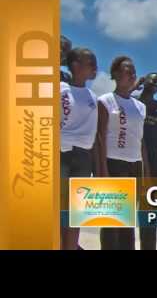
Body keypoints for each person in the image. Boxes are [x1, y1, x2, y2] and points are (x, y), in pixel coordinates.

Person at [95, 56, 149, 250]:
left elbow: (140, 141)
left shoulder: (141, 107)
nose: (132, 74)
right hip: (113, 163)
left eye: (133, 71)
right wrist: (102, 171)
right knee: (112, 221)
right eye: (127, 70)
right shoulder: (105, 101)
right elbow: (99, 137)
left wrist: (144, 172)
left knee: (127, 221)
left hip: (134, 164)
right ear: (116, 74)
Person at [60, 47, 98, 250]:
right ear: (75, 65)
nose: (94, 66)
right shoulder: (60, 89)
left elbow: (94, 133)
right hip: (61, 154)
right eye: (89, 62)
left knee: (76, 214)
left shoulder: (93, 96)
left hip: (84, 157)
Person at [137, 72, 157, 250]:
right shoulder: (134, 102)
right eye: (154, 79)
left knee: (150, 216)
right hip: (134, 164)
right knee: (123, 215)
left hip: (155, 166)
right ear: (144, 80)